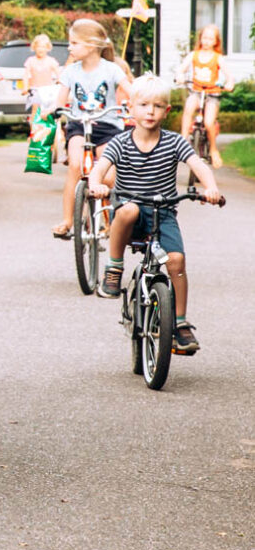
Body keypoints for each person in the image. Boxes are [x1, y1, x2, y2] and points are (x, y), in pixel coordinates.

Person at [88, 73, 220, 353]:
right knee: (129, 209)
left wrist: (211, 188)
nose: (150, 111)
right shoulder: (120, 143)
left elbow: (198, 164)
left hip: (162, 213)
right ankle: (114, 267)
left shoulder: (174, 142)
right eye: (144, 105)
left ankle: (180, 324)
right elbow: (99, 168)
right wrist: (96, 184)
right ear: (130, 108)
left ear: (167, 111)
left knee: (176, 261)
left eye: (158, 106)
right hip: (130, 215)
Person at [49, 19, 132, 238]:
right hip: (79, 125)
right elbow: (60, 100)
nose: (69, 47)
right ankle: (68, 220)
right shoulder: (70, 72)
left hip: (108, 127)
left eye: (74, 43)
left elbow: (132, 92)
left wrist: (138, 105)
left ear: (92, 45)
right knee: (75, 166)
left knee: (109, 176)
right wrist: (53, 109)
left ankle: (113, 221)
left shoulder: (112, 70)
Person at [176, 24, 234, 168]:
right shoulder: (194, 55)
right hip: (197, 92)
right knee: (188, 108)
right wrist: (180, 76)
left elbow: (229, 76)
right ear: (200, 38)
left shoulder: (218, 58)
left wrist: (229, 83)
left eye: (210, 39)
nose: (207, 41)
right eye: (205, 38)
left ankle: (213, 149)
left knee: (208, 122)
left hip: (212, 93)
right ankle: (183, 141)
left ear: (216, 41)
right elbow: (181, 69)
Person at [23, 33, 61, 114]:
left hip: (48, 90)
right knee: (35, 109)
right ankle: (34, 122)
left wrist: (59, 81)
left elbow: (58, 73)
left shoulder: (51, 61)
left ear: (47, 48)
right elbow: (26, 75)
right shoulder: (30, 60)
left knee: (51, 110)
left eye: (43, 47)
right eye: (39, 47)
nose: (41, 49)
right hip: (35, 89)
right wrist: (25, 87)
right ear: (34, 48)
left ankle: (54, 122)